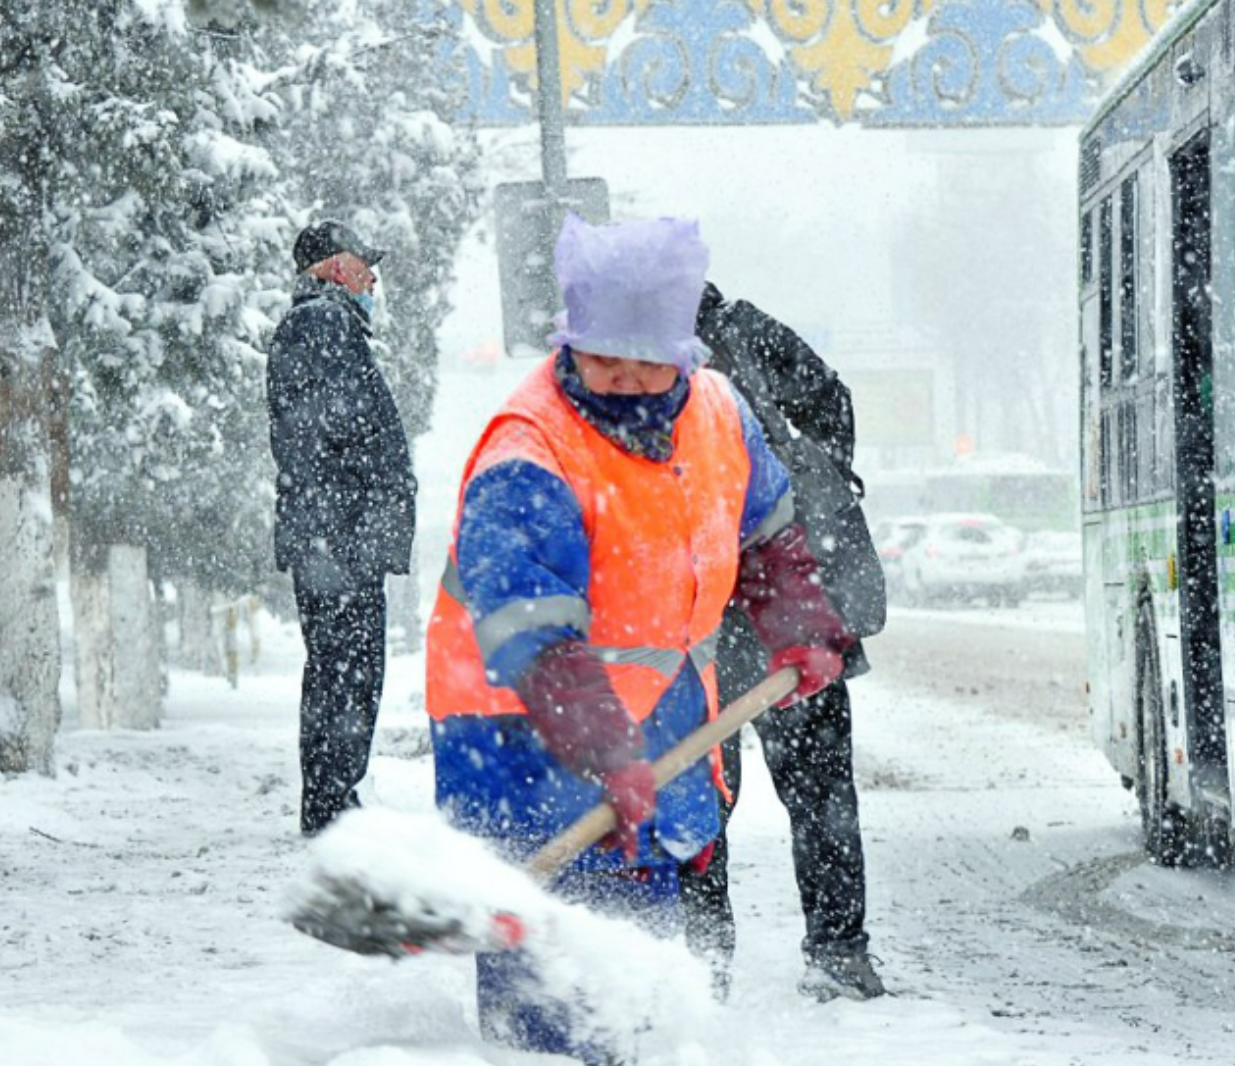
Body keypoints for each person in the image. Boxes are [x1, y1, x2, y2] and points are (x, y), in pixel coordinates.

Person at [427, 215, 857, 1061]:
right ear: (569, 342)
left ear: (686, 352)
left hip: (651, 724)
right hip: (514, 729)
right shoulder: (531, 447)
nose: (624, 377)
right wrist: (602, 749)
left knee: (635, 954)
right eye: (602, 355)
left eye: (646, 357)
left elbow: (769, 536)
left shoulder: (720, 414)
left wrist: (800, 627)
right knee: (547, 963)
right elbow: (532, 632)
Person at [677, 281, 890, 1002]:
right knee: (819, 789)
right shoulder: (739, 334)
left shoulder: (656, 363)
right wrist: (817, 479)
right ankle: (837, 951)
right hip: (781, 592)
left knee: (700, 792)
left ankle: (703, 963)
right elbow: (832, 402)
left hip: (726, 606)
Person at [268, 219, 417, 837]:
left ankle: (334, 799)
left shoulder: (324, 326)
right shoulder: (322, 325)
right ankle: (332, 805)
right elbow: (344, 429)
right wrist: (368, 509)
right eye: (363, 264)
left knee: (342, 669)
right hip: (338, 534)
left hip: (336, 531)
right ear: (332, 268)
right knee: (347, 671)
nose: (373, 277)